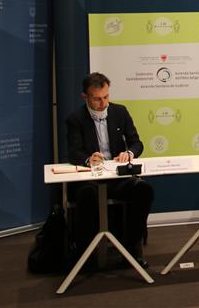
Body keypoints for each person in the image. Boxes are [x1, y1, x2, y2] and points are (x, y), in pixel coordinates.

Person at [66, 72, 154, 267]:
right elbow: (74, 152)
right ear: (85, 97)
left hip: (116, 177)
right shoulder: (75, 119)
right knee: (87, 195)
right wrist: (89, 159)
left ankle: (132, 248)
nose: (103, 103)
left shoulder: (120, 112)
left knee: (143, 190)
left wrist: (129, 153)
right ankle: (87, 254)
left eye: (106, 97)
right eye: (97, 99)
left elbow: (137, 143)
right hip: (90, 179)